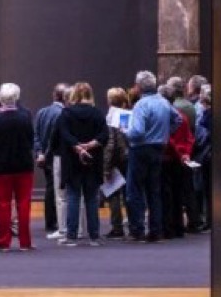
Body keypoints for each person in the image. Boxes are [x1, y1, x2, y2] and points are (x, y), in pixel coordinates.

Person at [56, 81, 108, 246]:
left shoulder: (66, 113)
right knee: (92, 198)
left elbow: (63, 133)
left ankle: (71, 236)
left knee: (73, 197)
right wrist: (90, 145)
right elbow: (104, 135)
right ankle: (94, 236)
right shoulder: (97, 113)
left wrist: (78, 147)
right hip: (93, 161)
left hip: (72, 161)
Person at [0, 83, 35, 252]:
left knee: (3, 205)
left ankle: (4, 241)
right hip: (24, 165)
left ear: (1, 98)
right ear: (17, 97)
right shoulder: (25, 116)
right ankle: (25, 242)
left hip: (2, 167)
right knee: (24, 204)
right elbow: (30, 140)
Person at [125, 71, 173, 244]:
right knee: (154, 191)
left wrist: (125, 132)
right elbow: (177, 120)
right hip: (159, 148)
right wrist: (165, 133)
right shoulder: (164, 102)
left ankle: (137, 229)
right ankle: (156, 230)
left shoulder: (141, 105)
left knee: (134, 190)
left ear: (139, 87)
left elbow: (137, 132)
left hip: (140, 149)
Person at [33, 84, 69, 239]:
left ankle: (50, 221)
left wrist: (39, 153)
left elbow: (35, 135)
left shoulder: (42, 112)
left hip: (44, 156)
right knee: (60, 191)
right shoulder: (64, 114)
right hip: (57, 156)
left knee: (50, 188)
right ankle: (58, 222)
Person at [161, 82, 195, 239]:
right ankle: (179, 227)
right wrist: (186, 154)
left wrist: (179, 154)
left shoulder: (167, 116)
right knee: (178, 193)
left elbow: (169, 139)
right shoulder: (182, 116)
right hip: (181, 159)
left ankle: (168, 228)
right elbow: (189, 138)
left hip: (169, 157)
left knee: (166, 194)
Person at [102, 87, 132, 240]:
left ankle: (117, 227)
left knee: (113, 193)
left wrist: (106, 166)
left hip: (115, 159)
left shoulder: (110, 116)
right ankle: (133, 224)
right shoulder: (127, 114)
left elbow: (110, 143)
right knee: (129, 193)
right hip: (127, 158)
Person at [190, 83, 213, 233]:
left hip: (206, 155)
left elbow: (202, 137)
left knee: (205, 189)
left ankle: (208, 219)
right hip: (212, 154)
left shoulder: (207, 116)